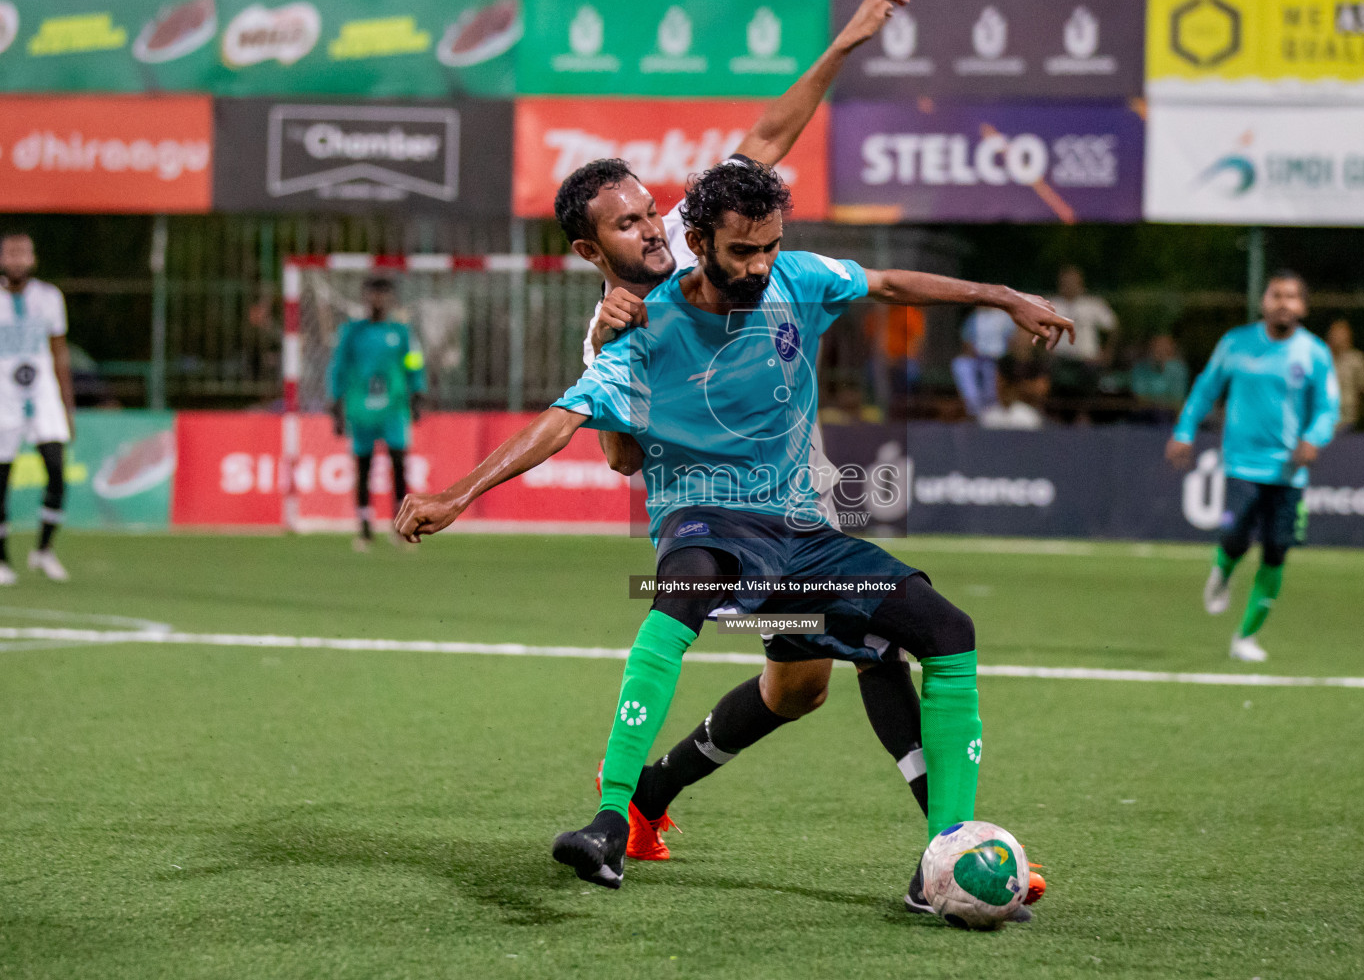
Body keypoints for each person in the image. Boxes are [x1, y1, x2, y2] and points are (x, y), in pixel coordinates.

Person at [394, 158, 1072, 911]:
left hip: (805, 536)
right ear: (699, 242)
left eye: (770, 247)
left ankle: (943, 855)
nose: (759, 266)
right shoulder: (640, 335)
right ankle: (609, 818)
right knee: (683, 594)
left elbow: (886, 283)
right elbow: (563, 424)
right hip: (707, 523)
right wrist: (457, 494)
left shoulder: (795, 280)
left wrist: (1004, 296)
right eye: (743, 252)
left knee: (916, 641)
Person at [564, 0, 951, 885]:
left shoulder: (708, 234)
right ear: (595, 251)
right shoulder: (618, 324)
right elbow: (622, 455)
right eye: (627, 226)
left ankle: (649, 798)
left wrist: (850, 39)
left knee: (798, 687)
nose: (649, 230)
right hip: (728, 527)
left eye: (649, 213)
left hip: (793, 512)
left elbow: (771, 138)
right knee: (885, 646)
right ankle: (952, 843)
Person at [1165, 271, 1339, 664]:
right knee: (1235, 536)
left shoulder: (1313, 352)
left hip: (1290, 472)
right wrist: (1184, 430)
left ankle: (1246, 636)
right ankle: (1222, 572)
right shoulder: (1236, 343)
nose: (1284, 302)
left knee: (1276, 551)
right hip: (1242, 466)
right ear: (1264, 301)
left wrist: (1314, 438)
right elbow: (1207, 388)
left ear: (1303, 307)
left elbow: (1328, 408)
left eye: (1292, 297)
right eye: (1277, 294)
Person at [326, 276, 425, 552]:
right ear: (364, 297)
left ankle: (401, 526)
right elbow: (339, 367)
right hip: (361, 410)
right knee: (363, 467)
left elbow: (413, 361)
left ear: (391, 299)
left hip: (394, 408)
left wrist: (418, 393)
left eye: (383, 294)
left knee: (399, 466)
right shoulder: (352, 332)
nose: (377, 300)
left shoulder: (401, 332)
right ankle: (365, 528)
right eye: (372, 294)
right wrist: (336, 402)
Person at [0, 232, 74, 583]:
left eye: (23, 253)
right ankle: (1, 559)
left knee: (57, 471)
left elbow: (60, 350)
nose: (17, 259)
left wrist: (67, 404)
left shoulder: (48, 297)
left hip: (42, 396)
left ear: (33, 259)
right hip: (3, 398)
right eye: (11, 253)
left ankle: (43, 550)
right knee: (2, 481)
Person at [952, 307, 1017, 418]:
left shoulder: (1004, 317)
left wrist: (1000, 356)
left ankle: (992, 409)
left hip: (998, 359)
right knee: (960, 364)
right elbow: (966, 342)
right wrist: (975, 353)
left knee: (990, 368)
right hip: (978, 358)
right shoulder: (975, 317)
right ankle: (973, 407)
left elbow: (1012, 342)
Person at [1130, 334, 1189, 424]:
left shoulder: (1179, 369)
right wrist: (1162, 402)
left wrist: (1155, 401)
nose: (1159, 351)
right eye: (1156, 347)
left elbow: (1177, 399)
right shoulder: (1140, 368)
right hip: (1144, 415)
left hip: (1169, 416)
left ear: (1171, 349)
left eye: (1164, 347)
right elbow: (1140, 398)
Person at [1326, 320, 1364, 430]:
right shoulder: (1322, 359)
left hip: (1348, 419)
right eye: (1334, 334)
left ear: (1348, 336)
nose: (1336, 337)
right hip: (1325, 419)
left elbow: (1363, 390)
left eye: (1340, 334)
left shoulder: (1357, 359)